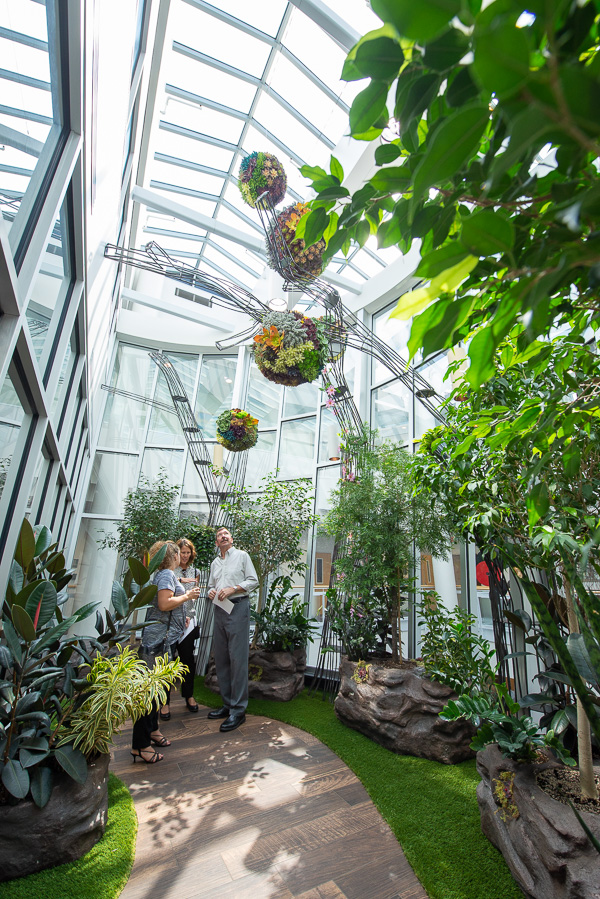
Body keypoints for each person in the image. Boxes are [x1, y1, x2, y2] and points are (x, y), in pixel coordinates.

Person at [131, 541, 200, 763]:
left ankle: (152, 731)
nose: (183, 556)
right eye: (179, 553)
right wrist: (187, 598)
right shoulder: (166, 575)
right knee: (150, 692)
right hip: (157, 643)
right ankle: (140, 746)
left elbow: (169, 602)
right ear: (171, 556)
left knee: (157, 690)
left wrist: (182, 612)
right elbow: (164, 603)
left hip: (163, 641)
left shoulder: (166, 575)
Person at [206, 526, 258, 732]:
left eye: (226, 533)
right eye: (219, 535)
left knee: (237, 658)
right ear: (217, 543)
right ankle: (227, 705)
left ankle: (238, 710)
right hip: (219, 609)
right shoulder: (214, 563)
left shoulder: (242, 556)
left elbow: (253, 581)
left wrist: (233, 588)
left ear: (232, 539)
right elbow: (211, 585)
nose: (223, 536)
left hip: (238, 607)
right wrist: (211, 592)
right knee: (222, 658)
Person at [172, 537, 202, 714]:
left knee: (187, 660)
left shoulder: (195, 571)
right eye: (182, 552)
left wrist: (189, 615)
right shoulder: (170, 570)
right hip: (172, 620)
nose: (185, 555)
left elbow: (195, 596)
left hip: (189, 621)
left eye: (187, 552)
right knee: (167, 661)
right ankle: (164, 702)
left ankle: (189, 695)